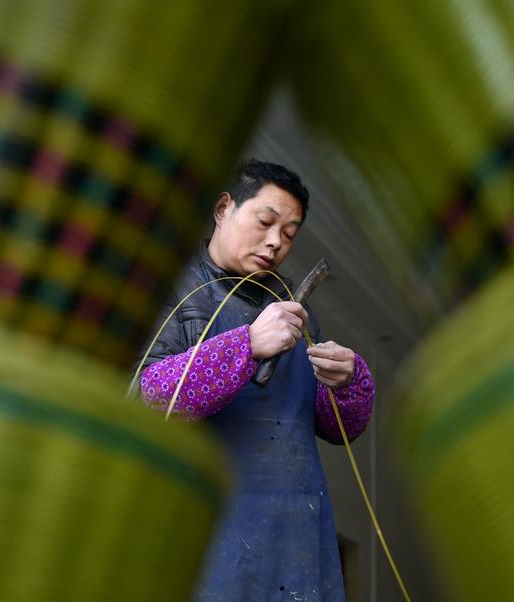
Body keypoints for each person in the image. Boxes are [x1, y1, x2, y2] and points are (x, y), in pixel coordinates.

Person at [138, 159, 374, 602]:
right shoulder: (171, 286)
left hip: (297, 527)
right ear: (224, 208)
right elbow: (145, 403)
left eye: (289, 234)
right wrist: (245, 345)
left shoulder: (296, 311)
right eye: (266, 221)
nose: (275, 243)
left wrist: (348, 382)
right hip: (206, 522)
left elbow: (336, 427)